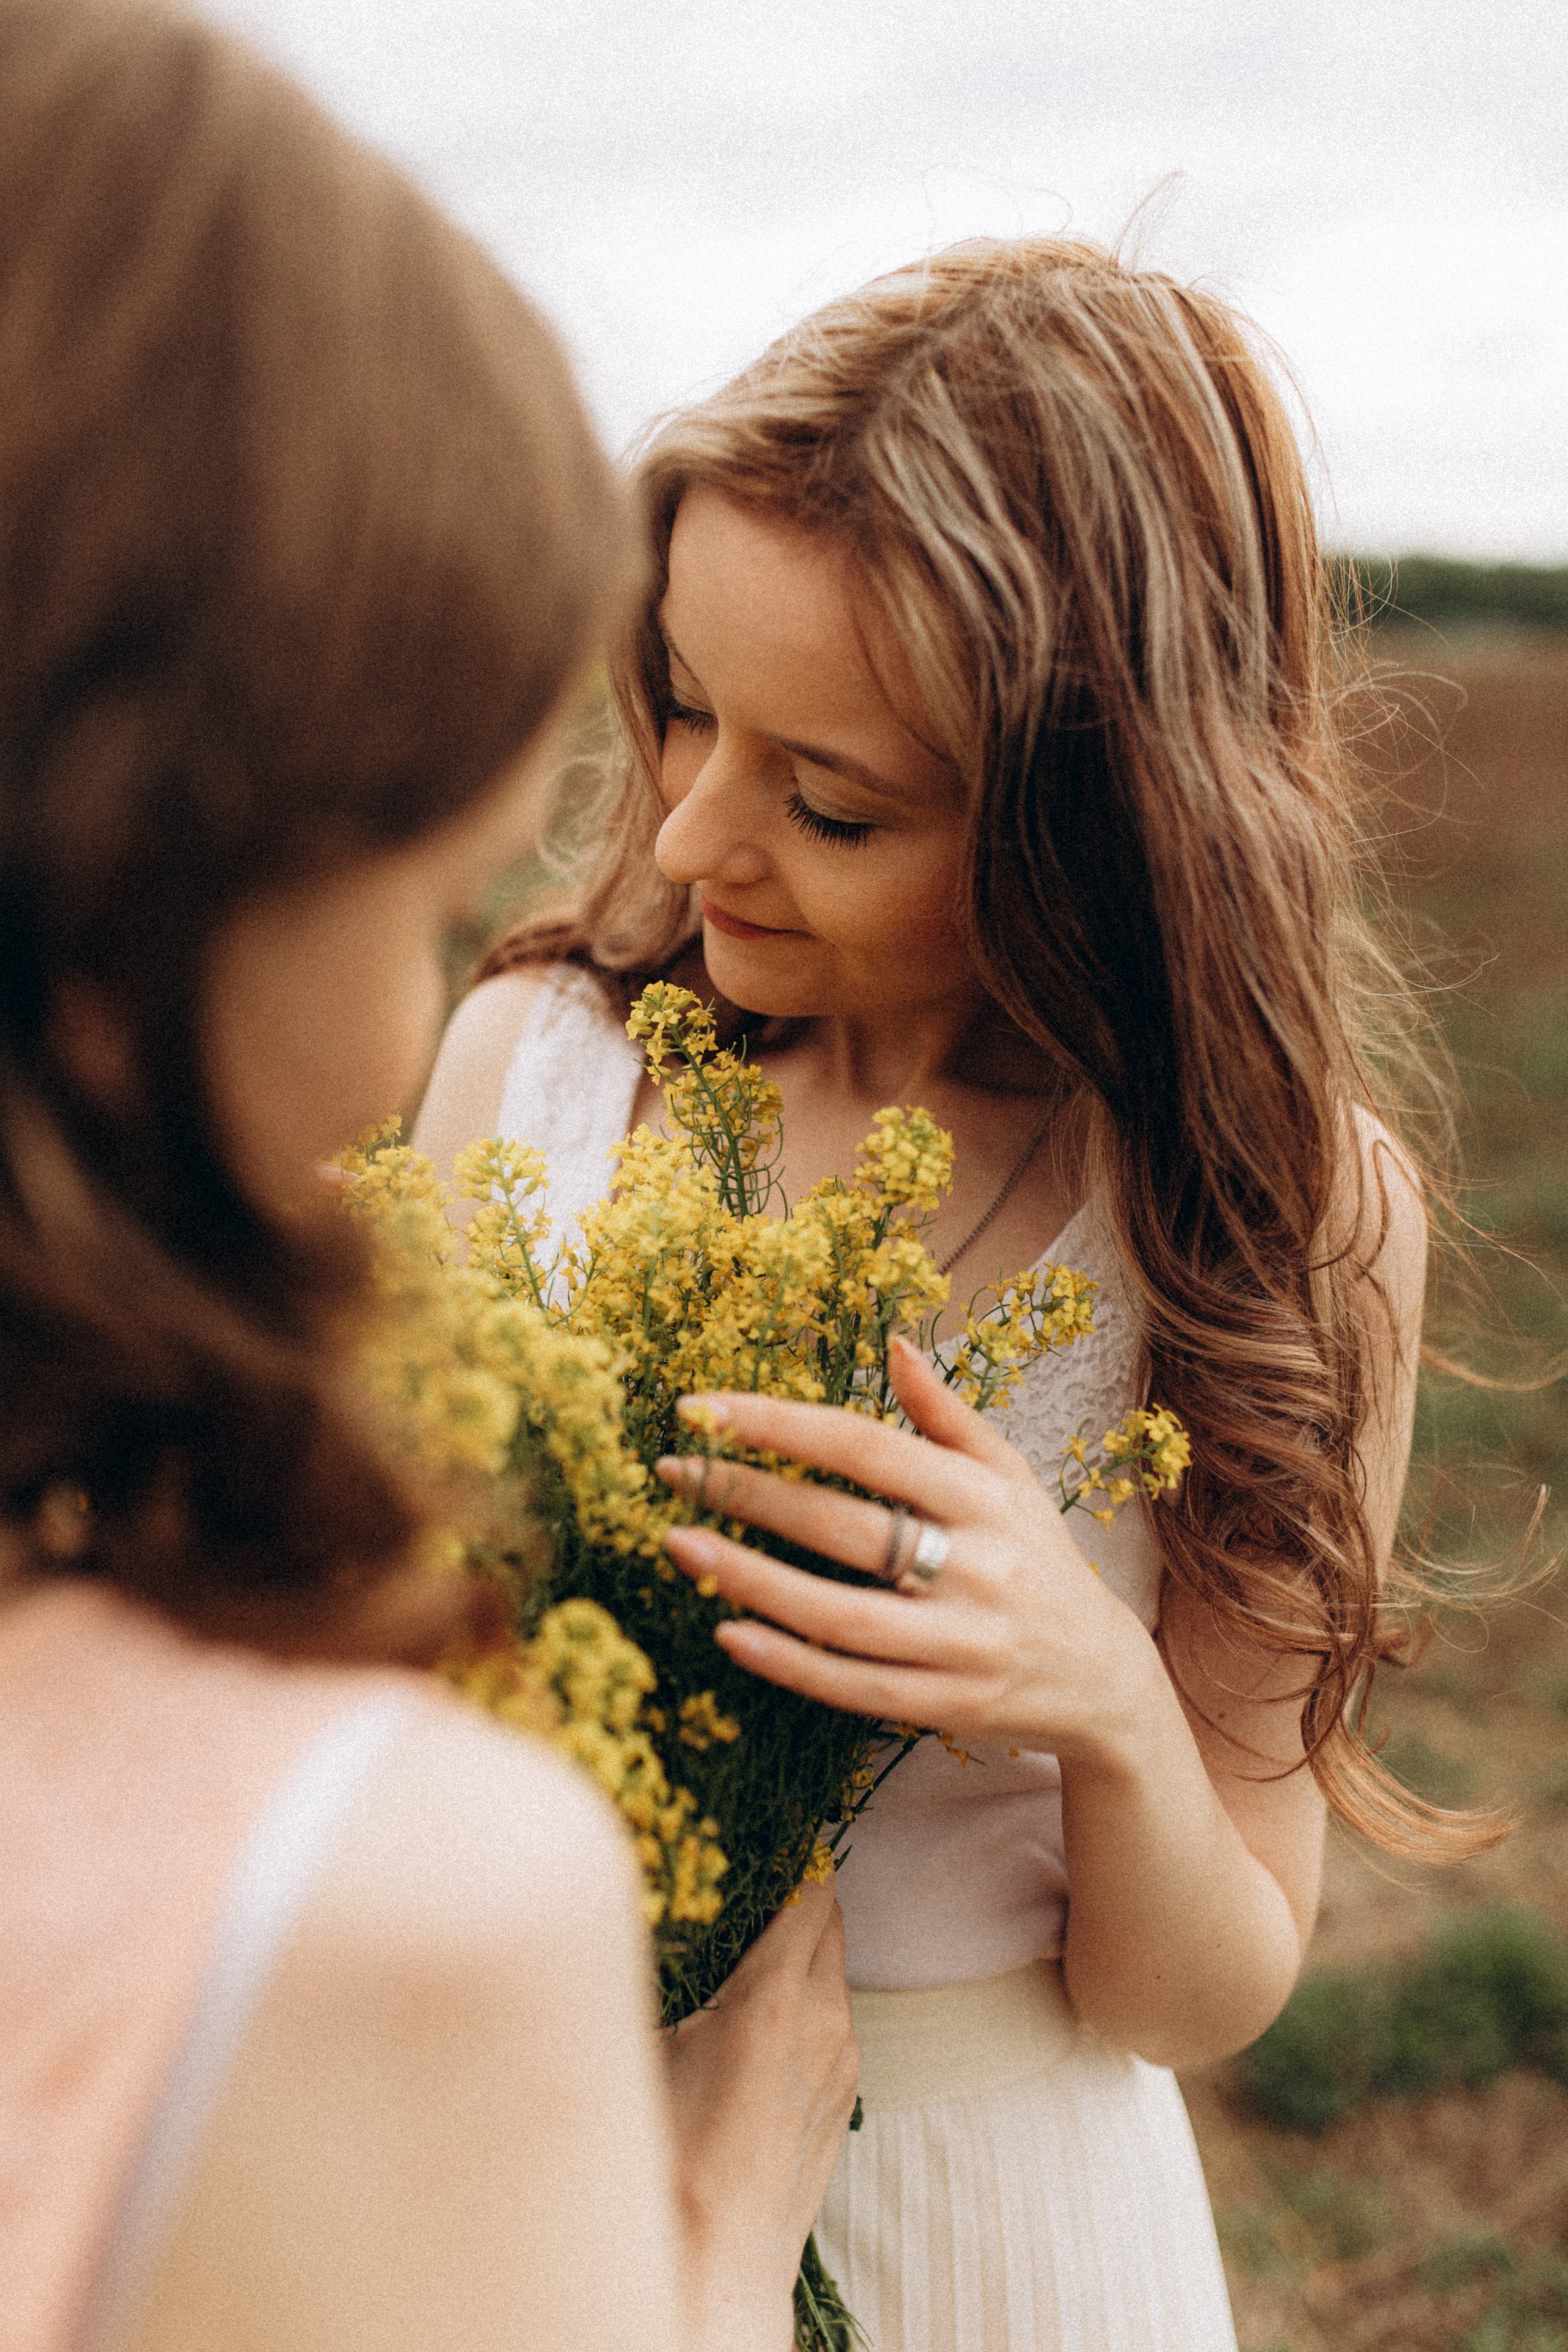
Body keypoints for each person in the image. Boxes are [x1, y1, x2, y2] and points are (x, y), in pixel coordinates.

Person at [417, 237, 1501, 2351]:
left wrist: (1091, 1695)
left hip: (1001, 2232)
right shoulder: (535, 1071)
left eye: (829, 798)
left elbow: (1199, 1989)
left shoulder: (1271, 1221)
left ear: (1102, 830)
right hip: (522, 2180)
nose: (700, 828)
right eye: (680, 707)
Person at [0, 7, 859, 2351]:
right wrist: (722, 2211)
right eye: (399, 896)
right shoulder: (365, 1913)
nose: (418, 1015)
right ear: (121, 908)